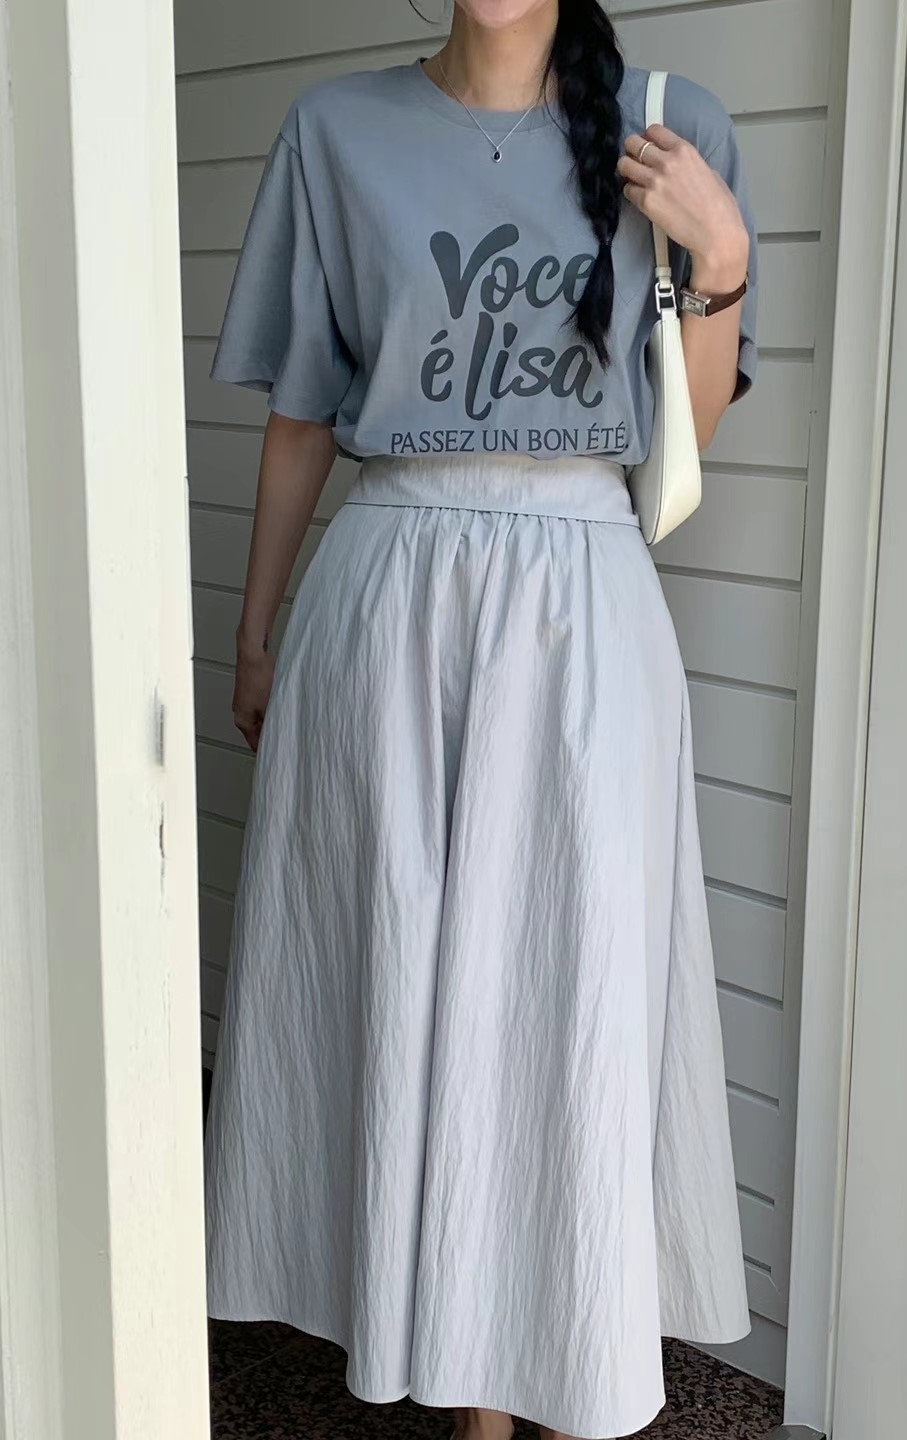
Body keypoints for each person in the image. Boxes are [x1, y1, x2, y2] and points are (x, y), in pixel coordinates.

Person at [201, 2, 759, 1438]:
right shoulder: (337, 132)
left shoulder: (668, 123)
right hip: (389, 587)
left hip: (581, 597)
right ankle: (453, 1371)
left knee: (573, 983)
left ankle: (558, 1363)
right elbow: (302, 414)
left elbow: (684, 445)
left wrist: (722, 263)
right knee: (396, 964)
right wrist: (254, 632)